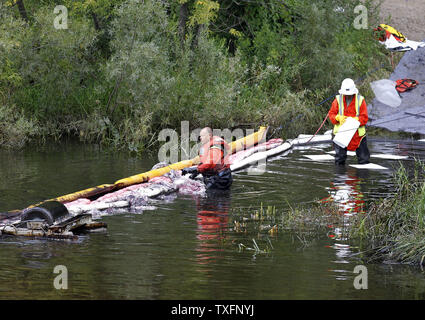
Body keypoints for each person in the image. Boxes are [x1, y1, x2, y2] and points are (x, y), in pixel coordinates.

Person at [329, 78, 370, 166]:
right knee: (339, 159)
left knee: (364, 160)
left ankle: (362, 179)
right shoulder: (337, 100)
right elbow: (331, 115)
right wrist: (338, 118)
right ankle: (340, 179)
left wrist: (356, 120)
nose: (347, 95)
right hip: (341, 134)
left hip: (358, 135)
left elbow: (364, 118)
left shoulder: (360, 100)